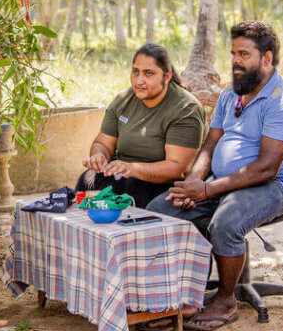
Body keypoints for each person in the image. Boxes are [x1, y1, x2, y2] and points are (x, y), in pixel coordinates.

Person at [146, 21, 283, 331]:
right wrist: (194, 180)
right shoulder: (230, 94)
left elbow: (266, 168)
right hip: (220, 183)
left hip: (274, 186)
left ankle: (225, 299)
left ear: (267, 58)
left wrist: (206, 191)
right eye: (233, 53)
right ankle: (182, 296)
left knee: (226, 223)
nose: (235, 61)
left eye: (244, 54)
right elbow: (211, 142)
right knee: (160, 211)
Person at [77, 44, 205, 208]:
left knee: (133, 189)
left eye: (148, 73)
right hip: (124, 172)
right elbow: (102, 143)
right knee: (87, 179)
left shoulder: (185, 109)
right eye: (135, 71)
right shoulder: (123, 100)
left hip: (163, 183)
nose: (139, 80)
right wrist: (99, 156)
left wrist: (131, 168)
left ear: (167, 76)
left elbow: (177, 168)